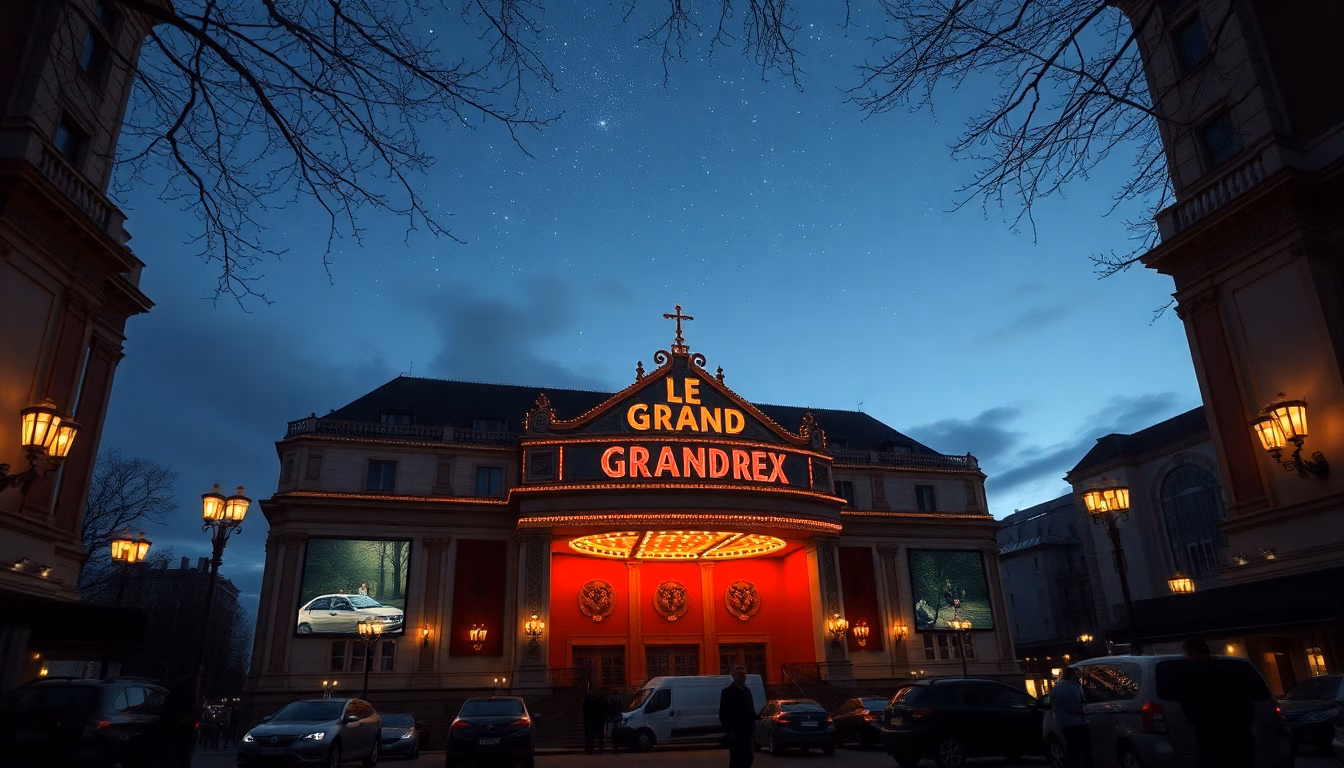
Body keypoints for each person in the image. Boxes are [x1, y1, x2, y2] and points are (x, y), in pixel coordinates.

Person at [1179, 636, 1256, 768]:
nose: (1187, 656)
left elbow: (1187, 703)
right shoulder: (1228, 670)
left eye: (1187, 652)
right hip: (1238, 732)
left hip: (1211, 734)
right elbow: (1246, 699)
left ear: (1193, 652)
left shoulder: (1192, 675)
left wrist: (1201, 721)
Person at [718, 665, 758, 768]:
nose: (743, 677)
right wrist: (729, 731)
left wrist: (754, 722)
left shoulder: (747, 691)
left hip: (747, 731)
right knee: (736, 759)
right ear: (734, 676)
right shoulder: (728, 692)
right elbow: (723, 713)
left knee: (748, 758)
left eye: (744, 674)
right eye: (740, 675)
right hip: (736, 733)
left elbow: (750, 709)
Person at [1050, 666, 1090, 768]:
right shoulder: (1075, 688)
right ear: (1072, 675)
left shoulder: (1056, 689)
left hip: (1064, 723)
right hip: (1077, 723)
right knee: (1083, 750)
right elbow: (1078, 706)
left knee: (1071, 749)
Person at [582, 686, 606, 754]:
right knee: (599, 735)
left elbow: (585, 710)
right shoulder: (600, 700)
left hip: (592, 720)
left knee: (591, 735)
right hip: (598, 720)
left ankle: (590, 749)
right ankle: (599, 749)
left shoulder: (589, 700)